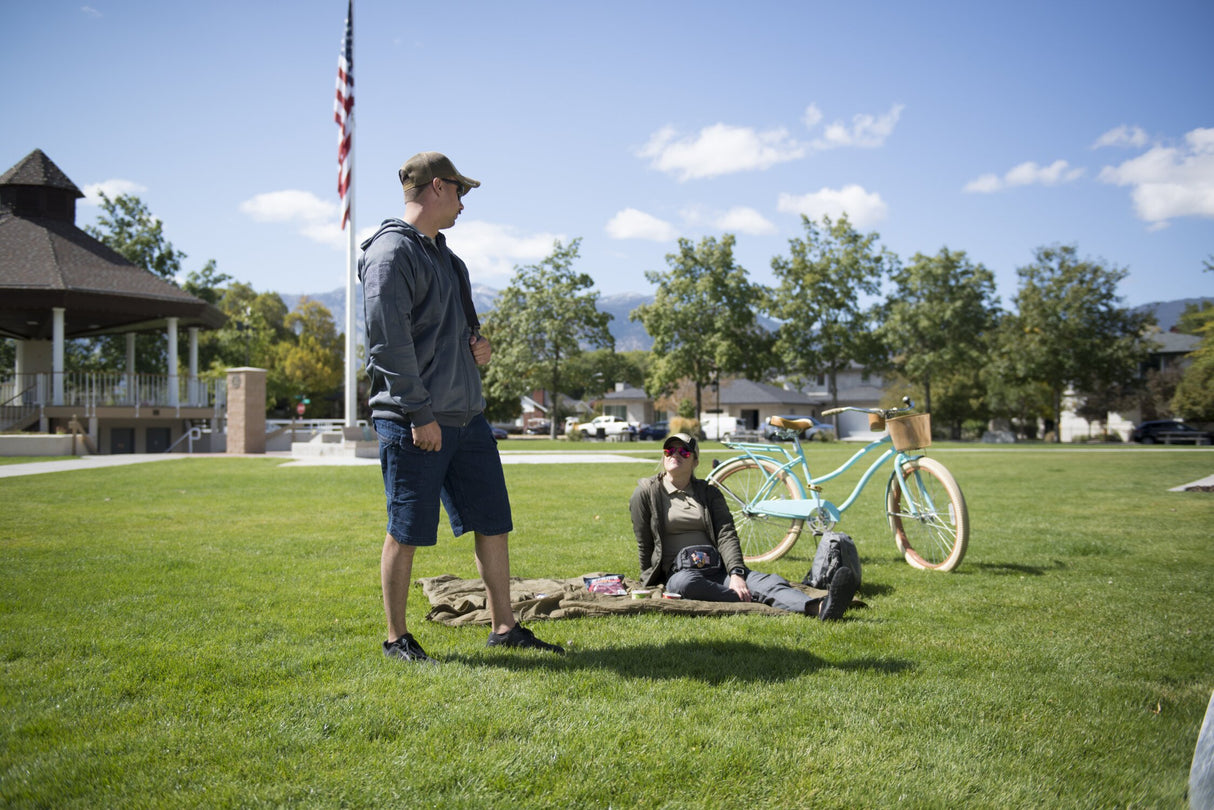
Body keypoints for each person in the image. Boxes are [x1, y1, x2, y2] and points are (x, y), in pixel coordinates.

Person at [359, 151, 563, 662]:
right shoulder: (389, 254)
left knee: (493, 522)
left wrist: (481, 348)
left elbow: (466, 333)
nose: (464, 205)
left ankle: (504, 627)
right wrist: (419, 414)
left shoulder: (450, 261)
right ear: (436, 188)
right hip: (414, 422)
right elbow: (388, 345)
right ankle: (395, 638)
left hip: (468, 418)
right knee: (406, 530)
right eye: (460, 192)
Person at [629, 433, 858, 620]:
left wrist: (736, 574)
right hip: (681, 572)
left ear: (695, 461)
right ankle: (750, 598)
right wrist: (647, 581)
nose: (675, 455)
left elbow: (726, 534)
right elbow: (644, 542)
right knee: (685, 584)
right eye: (670, 450)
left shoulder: (709, 493)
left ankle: (819, 608)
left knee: (767, 582)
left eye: (684, 451)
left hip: (718, 569)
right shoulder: (646, 493)